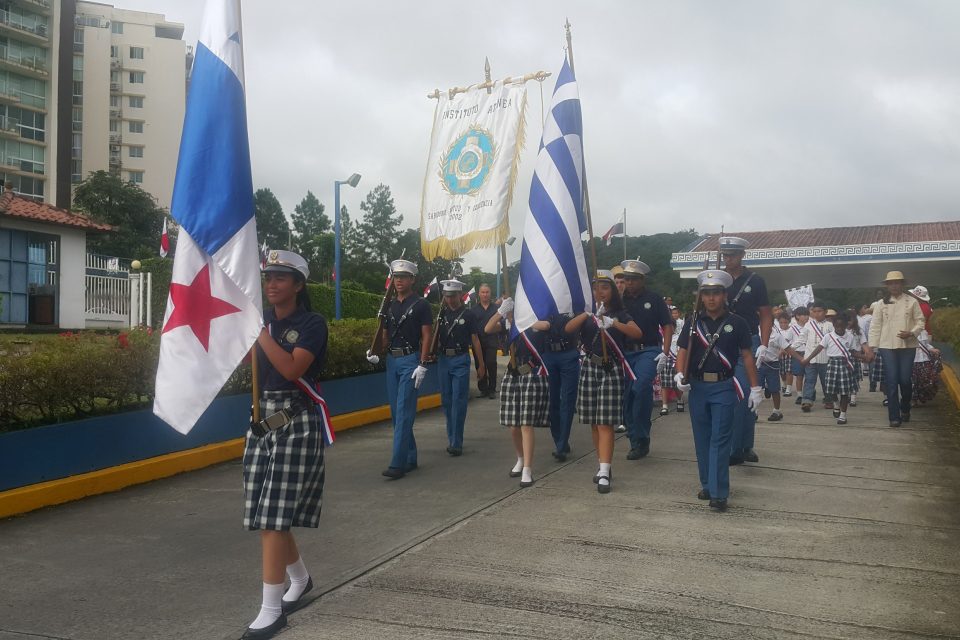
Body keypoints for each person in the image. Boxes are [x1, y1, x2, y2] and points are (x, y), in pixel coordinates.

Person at [243, 250, 329, 639]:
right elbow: (253, 365)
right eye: (268, 277)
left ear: (298, 285)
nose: (272, 283)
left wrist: (259, 332)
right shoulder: (261, 323)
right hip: (262, 421)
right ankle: (300, 577)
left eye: (280, 277)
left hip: (295, 421)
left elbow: (294, 368)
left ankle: (271, 610)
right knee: (267, 511)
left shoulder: (311, 323)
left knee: (272, 516)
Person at [674, 269, 762, 512]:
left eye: (716, 293)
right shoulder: (692, 323)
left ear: (725, 295)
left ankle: (719, 492)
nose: (711, 298)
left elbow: (747, 356)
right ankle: (707, 484)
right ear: (701, 297)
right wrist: (679, 373)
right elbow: (682, 350)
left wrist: (755, 387)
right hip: (698, 386)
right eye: (707, 293)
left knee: (720, 439)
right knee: (701, 439)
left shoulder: (738, 322)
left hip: (724, 386)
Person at [563, 270, 643, 493]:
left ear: (613, 290)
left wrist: (613, 323)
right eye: (596, 287)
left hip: (611, 368)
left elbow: (637, 332)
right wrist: (588, 314)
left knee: (605, 421)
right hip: (590, 366)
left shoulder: (620, 313)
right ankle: (602, 465)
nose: (600, 291)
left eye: (605, 287)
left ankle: (605, 470)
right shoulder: (587, 312)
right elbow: (567, 329)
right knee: (593, 420)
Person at [368, 259, 433, 479]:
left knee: (405, 411)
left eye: (403, 277)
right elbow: (385, 335)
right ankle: (411, 456)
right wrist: (375, 350)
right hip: (392, 361)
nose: (399, 281)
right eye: (396, 277)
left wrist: (423, 364)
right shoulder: (390, 305)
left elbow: (426, 336)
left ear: (412, 280)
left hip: (410, 359)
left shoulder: (421, 305)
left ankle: (397, 464)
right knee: (397, 414)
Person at [485, 297, 550, 487]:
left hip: (530, 373)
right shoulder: (508, 325)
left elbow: (546, 325)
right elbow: (487, 329)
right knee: (513, 425)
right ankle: (520, 458)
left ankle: (528, 469)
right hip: (512, 374)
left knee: (525, 423)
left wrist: (521, 319)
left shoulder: (532, 323)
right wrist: (501, 312)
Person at [720, 236, 772, 465]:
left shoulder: (756, 281)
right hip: (722, 342)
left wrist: (764, 343)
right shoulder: (717, 280)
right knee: (727, 396)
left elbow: (766, 314)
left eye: (732, 255)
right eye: (725, 255)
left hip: (748, 342)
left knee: (747, 394)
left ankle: (742, 446)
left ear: (742, 255)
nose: (728, 259)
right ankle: (735, 445)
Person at [620, 259, 675, 460]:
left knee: (641, 386)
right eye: (627, 279)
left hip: (649, 350)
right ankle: (635, 439)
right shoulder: (619, 300)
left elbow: (667, 325)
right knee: (627, 396)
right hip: (625, 352)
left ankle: (641, 437)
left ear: (642, 280)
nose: (630, 282)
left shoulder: (654, 298)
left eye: (634, 279)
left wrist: (666, 351)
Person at [868, 271, 926, 427]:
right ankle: (894, 416)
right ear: (887, 286)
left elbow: (920, 322)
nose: (894, 285)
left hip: (907, 346)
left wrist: (911, 332)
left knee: (905, 380)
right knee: (892, 381)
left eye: (897, 282)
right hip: (887, 346)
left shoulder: (912, 301)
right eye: (891, 283)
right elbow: (875, 326)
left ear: (902, 284)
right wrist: (871, 347)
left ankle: (905, 407)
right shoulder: (881, 304)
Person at [435, 279, 485, 456]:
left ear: (460, 295)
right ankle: (451, 438)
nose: (450, 300)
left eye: (453, 296)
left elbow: (475, 340)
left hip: (461, 359)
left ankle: (456, 442)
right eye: (447, 296)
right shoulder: (440, 314)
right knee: (447, 400)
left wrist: (481, 365)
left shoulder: (468, 315)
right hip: (443, 360)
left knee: (459, 400)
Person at [800, 311, 866, 425]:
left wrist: (863, 357)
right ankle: (836, 403)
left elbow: (852, 351)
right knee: (832, 390)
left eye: (842, 326)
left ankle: (843, 415)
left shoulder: (849, 336)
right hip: (832, 364)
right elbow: (819, 348)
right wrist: (807, 359)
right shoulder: (828, 336)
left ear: (846, 325)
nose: (839, 328)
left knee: (845, 392)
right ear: (834, 325)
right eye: (837, 326)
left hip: (845, 365)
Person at [542, 301, 582, 462]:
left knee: (567, 401)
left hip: (568, 354)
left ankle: (562, 443)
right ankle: (559, 440)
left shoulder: (572, 302)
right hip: (549, 355)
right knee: (552, 402)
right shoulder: (543, 305)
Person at [800, 302, 832, 413]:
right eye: (815, 311)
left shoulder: (830, 326)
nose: (817, 314)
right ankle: (807, 400)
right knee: (809, 380)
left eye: (820, 311)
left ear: (825, 312)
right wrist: (790, 348)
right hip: (810, 358)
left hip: (825, 358)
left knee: (826, 381)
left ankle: (829, 400)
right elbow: (801, 339)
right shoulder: (808, 325)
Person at [470, 283, 500, 399]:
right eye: (483, 292)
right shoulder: (473, 310)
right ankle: (483, 389)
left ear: (490, 293)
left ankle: (492, 389)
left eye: (487, 292)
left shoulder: (496, 309)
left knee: (491, 363)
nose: (485, 294)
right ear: (479, 294)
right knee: (479, 364)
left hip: (492, 341)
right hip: (478, 341)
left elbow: (501, 325)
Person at [760, 317, 791, 422]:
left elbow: (787, 347)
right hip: (758, 364)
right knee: (756, 388)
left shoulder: (777, 336)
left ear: (772, 324)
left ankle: (776, 411)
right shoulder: (755, 333)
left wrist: (801, 359)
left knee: (774, 389)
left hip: (772, 364)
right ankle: (753, 412)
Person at [658, 307, 685, 415]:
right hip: (665, 363)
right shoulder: (661, 339)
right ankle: (664, 405)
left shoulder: (678, 337)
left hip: (676, 362)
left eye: (671, 327)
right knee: (664, 384)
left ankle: (680, 399)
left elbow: (680, 351)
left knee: (676, 384)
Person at [785, 307, 809, 403]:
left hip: (809, 353)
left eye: (808, 315)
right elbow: (786, 341)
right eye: (804, 315)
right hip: (797, 353)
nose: (807, 317)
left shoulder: (810, 326)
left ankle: (809, 393)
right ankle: (799, 394)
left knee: (809, 375)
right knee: (799, 375)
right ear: (797, 316)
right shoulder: (792, 328)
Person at [912, 329, 942, 406]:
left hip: (925, 359)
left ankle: (922, 396)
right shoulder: (907, 331)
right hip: (912, 360)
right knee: (913, 381)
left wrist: (932, 349)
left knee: (926, 380)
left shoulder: (924, 332)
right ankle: (913, 399)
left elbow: (926, 345)